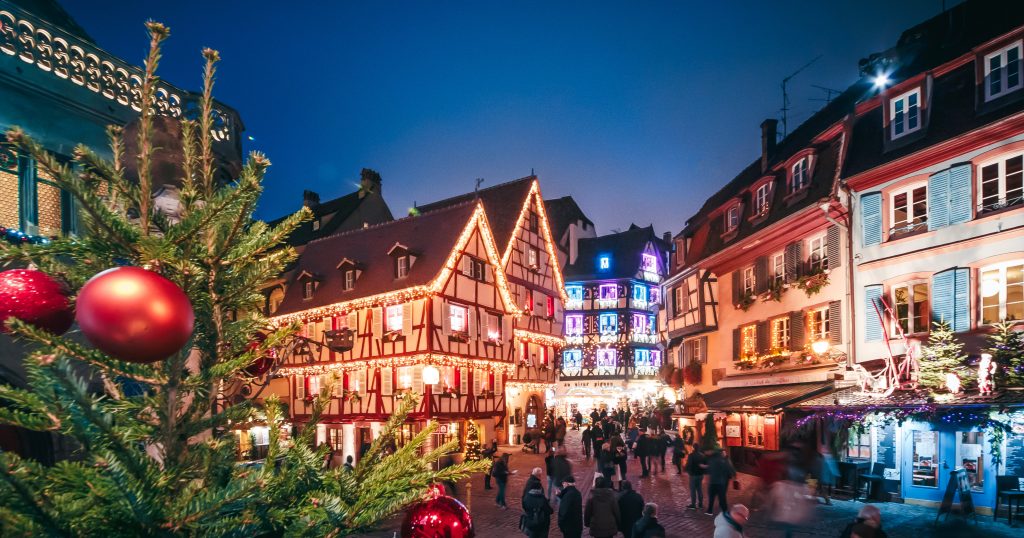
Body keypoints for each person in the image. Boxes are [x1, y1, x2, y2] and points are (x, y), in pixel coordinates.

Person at [706, 449, 736, 516]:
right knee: (722, 497)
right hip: (721, 481)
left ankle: (710, 510)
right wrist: (732, 475)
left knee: (711, 497)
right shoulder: (724, 461)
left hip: (713, 482)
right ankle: (725, 511)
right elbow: (729, 469)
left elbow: (708, 470)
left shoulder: (711, 461)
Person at [685, 442, 706, 510]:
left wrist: (688, 471)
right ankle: (700, 504)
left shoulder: (691, 455)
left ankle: (693, 504)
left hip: (693, 475)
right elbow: (704, 464)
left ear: (693, 447)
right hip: (700, 475)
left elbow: (689, 465)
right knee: (699, 489)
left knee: (693, 490)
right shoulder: (702, 455)